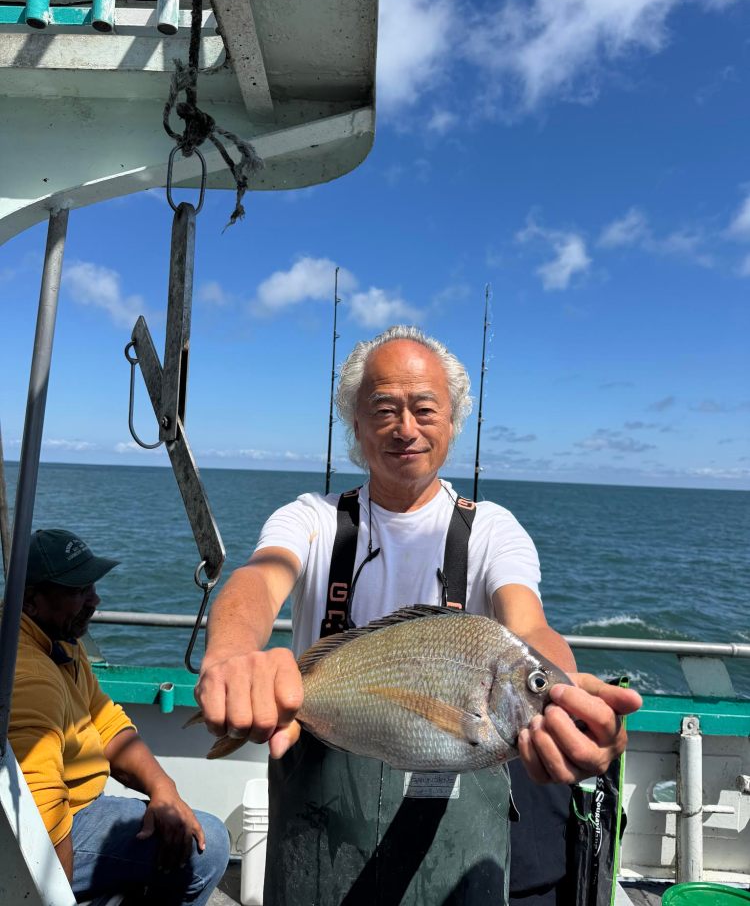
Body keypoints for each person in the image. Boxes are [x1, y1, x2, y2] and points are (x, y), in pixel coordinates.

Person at [196, 325, 642, 905]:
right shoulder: (310, 517)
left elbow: (528, 628)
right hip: (317, 824)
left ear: (453, 423)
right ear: (355, 426)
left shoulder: (492, 529)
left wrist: (557, 699)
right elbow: (260, 576)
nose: (406, 428)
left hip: (455, 835)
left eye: (425, 408)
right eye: (383, 408)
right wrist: (232, 654)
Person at [9, 528, 230, 905]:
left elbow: (106, 723)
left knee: (183, 825)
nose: (95, 599)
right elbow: (41, 829)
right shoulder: (31, 677)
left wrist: (164, 790)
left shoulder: (58, 640)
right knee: (205, 847)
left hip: (73, 809)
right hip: (46, 833)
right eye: (79, 591)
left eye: (91, 586)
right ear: (32, 601)